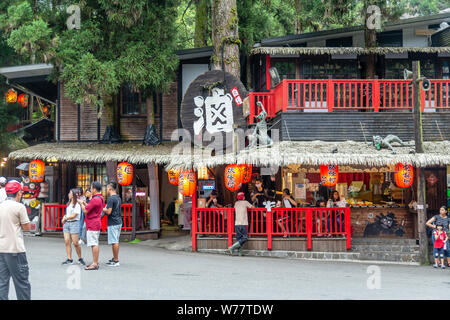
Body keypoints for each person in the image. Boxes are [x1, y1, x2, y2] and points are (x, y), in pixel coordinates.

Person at [0, 180, 31, 300]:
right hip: (15, 249)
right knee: (22, 282)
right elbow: (27, 227)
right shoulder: (19, 207)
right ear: (18, 193)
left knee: (2, 282)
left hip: (1, 248)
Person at [78, 181, 104, 270]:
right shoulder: (100, 198)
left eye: (91, 188)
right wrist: (84, 203)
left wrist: (81, 203)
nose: (90, 189)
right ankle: (94, 262)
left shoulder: (95, 199)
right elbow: (90, 207)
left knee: (94, 243)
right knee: (94, 243)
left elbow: (85, 210)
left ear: (94, 189)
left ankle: (95, 263)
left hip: (93, 223)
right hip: (95, 222)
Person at [61, 189, 85, 265]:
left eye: (70, 193)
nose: (68, 194)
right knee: (67, 241)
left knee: (75, 243)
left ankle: (80, 258)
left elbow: (75, 215)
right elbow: (67, 214)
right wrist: (64, 218)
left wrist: (66, 218)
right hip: (67, 223)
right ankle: (69, 258)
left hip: (74, 223)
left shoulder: (77, 204)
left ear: (73, 194)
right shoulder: (68, 203)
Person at [102, 182, 122, 267]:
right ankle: (114, 258)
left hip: (113, 222)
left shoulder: (110, 199)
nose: (106, 189)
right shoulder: (118, 197)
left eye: (107, 188)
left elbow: (109, 211)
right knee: (115, 241)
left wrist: (103, 209)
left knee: (114, 242)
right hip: (118, 221)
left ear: (110, 188)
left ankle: (116, 260)